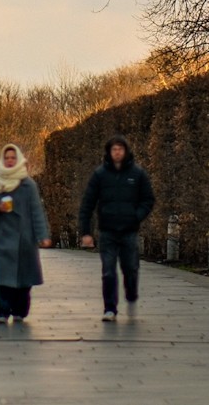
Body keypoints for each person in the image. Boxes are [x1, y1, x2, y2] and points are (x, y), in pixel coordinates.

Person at [77, 134, 157, 321]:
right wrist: (86, 232)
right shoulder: (100, 175)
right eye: (114, 149)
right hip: (108, 231)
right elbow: (87, 204)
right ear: (109, 152)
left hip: (129, 231)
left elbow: (148, 199)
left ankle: (131, 296)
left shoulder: (137, 174)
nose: (117, 152)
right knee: (108, 271)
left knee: (131, 269)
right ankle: (110, 308)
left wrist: (136, 216)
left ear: (126, 151)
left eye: (120, 149)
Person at [0, 142, 51, 324]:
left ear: (18, 159)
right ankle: (1, 312)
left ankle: (20, 310)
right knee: (4, 279)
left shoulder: (28, 185)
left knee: (24, 279)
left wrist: (43, 235)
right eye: (7, 158)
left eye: (13, 158)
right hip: (2, 240)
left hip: (24, 240)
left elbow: (36, 211)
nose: (10, 161)